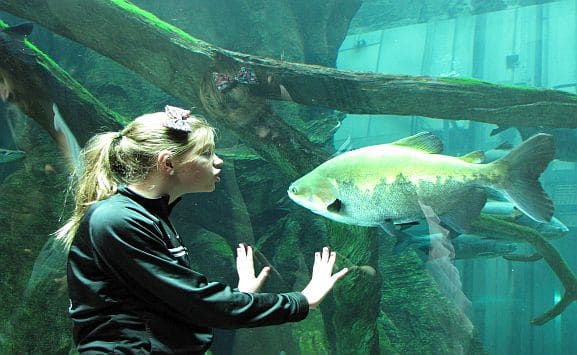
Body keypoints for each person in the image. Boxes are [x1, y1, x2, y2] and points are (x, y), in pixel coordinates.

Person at [56, 105, 348, 354]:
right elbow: (195, 302)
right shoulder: (117, 219)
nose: (219, 161)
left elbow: (178, 304)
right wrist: (301, 301)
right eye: (207, 153)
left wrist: (239, 296)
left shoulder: (147, 216)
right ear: (168, 163)